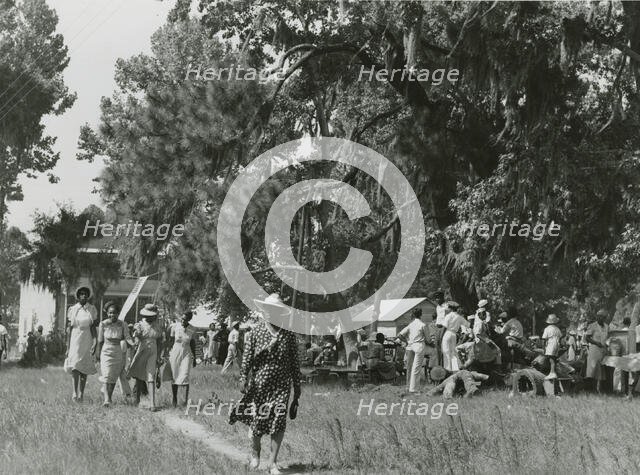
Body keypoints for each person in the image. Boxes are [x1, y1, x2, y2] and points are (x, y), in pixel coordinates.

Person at [230, 294, 301, 475]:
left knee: (278, 421)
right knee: (258, 420)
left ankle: (272, 463)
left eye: (276, 311)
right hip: (260, 384)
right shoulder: (255, 332)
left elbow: (294, 362)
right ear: (265, 311)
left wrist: (297, 388)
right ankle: (255, 453)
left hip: (282, 385)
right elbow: (246, 358)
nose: (273, 314)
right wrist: (243, 377)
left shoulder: (288, 335)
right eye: (270, 310)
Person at [64, 286, 98, 402]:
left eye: (85, 294)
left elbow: (93, 327)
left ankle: (81, 394)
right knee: (75, 365)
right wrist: (68, 346)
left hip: (87, 337)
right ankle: (74, 392)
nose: (83, 296)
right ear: (78, 296)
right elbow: (69, 329)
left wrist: (95, 342)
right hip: (75, 337)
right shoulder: (73, 309)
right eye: (81, 294)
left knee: (84, 366)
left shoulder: (92, 309)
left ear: (88, 296)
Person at [96, 302, 133, 406]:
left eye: (115, 313)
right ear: (107, 313)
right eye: (110, 313)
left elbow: (127, 337)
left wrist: (133, 343)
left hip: (118, 352)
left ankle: (109, 399)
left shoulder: (123, 324)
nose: (112, 315)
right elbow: (100, 340)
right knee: (106, 375)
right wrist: (98, 354)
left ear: (118, 313)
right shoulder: (103, 324)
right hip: (106, 351)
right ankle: (106, 399)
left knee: (113, 377)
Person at [127, 303, 164, 411]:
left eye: (152, 315)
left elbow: (160, 341)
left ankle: (152, 403)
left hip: (153, 352)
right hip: (142, 350)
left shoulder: (157, 326)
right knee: (139, 376)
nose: (150, 317)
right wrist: (135, 332)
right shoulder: (140, 324)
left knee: (150, 376)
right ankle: (136, 400)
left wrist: (160, 356)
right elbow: (136, 335)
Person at [164, 311, 197, 407]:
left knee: (185, 375)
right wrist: (166, 353)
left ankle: (184, 401)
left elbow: (193, 344)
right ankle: (174, 399)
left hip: (186, 352)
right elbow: (170, 341)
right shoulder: (175, 327)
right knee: (175, 376)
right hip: (175, 351)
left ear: (189, 319)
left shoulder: (193, 329)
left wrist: (194, 358)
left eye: (185, 319)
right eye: (182, 318)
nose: (183, 320)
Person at [395, 308, 430, 393]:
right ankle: (414, 388)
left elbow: (399, 335)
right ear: (421, 315)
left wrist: (406, 341)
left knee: (409, 368)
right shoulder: (423, 325)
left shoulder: (411, 325)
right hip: (419, 346)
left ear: (413, 315)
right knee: (417, 368)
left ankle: (408, 386)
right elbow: (428, 340)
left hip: (410, 346)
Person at [441, 302, 470, 372]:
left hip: (447, 333)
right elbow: (468, 325)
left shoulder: (448, 316)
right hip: (454, 335)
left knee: (446, 351)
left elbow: (444, 327)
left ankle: (447, 369)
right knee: (453, 352)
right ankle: (455, 369)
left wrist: (441, 337)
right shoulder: (459, 317)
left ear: (451, 308)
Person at [585, 309, 609, 392]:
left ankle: (599, 389)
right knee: (592, 368)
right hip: (594, 350)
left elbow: (607, 338)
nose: (601, 319)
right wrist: (596, 342)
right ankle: (590, 389)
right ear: (597, 317)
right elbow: (587, 338)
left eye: (603, 317)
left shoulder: (606, 326)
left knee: (601, 370)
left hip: (603, 350)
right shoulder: (592, 326)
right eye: (600, 317)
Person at [542, 314, 562, 380]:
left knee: (551, 360)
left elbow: (544, 339)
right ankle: (552, 371)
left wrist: (543, 348)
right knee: (554, 359)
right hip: (557, 343)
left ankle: (552, 372)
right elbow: (560, 337)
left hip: (551, 343)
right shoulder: (557, 329)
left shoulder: (547, 329)